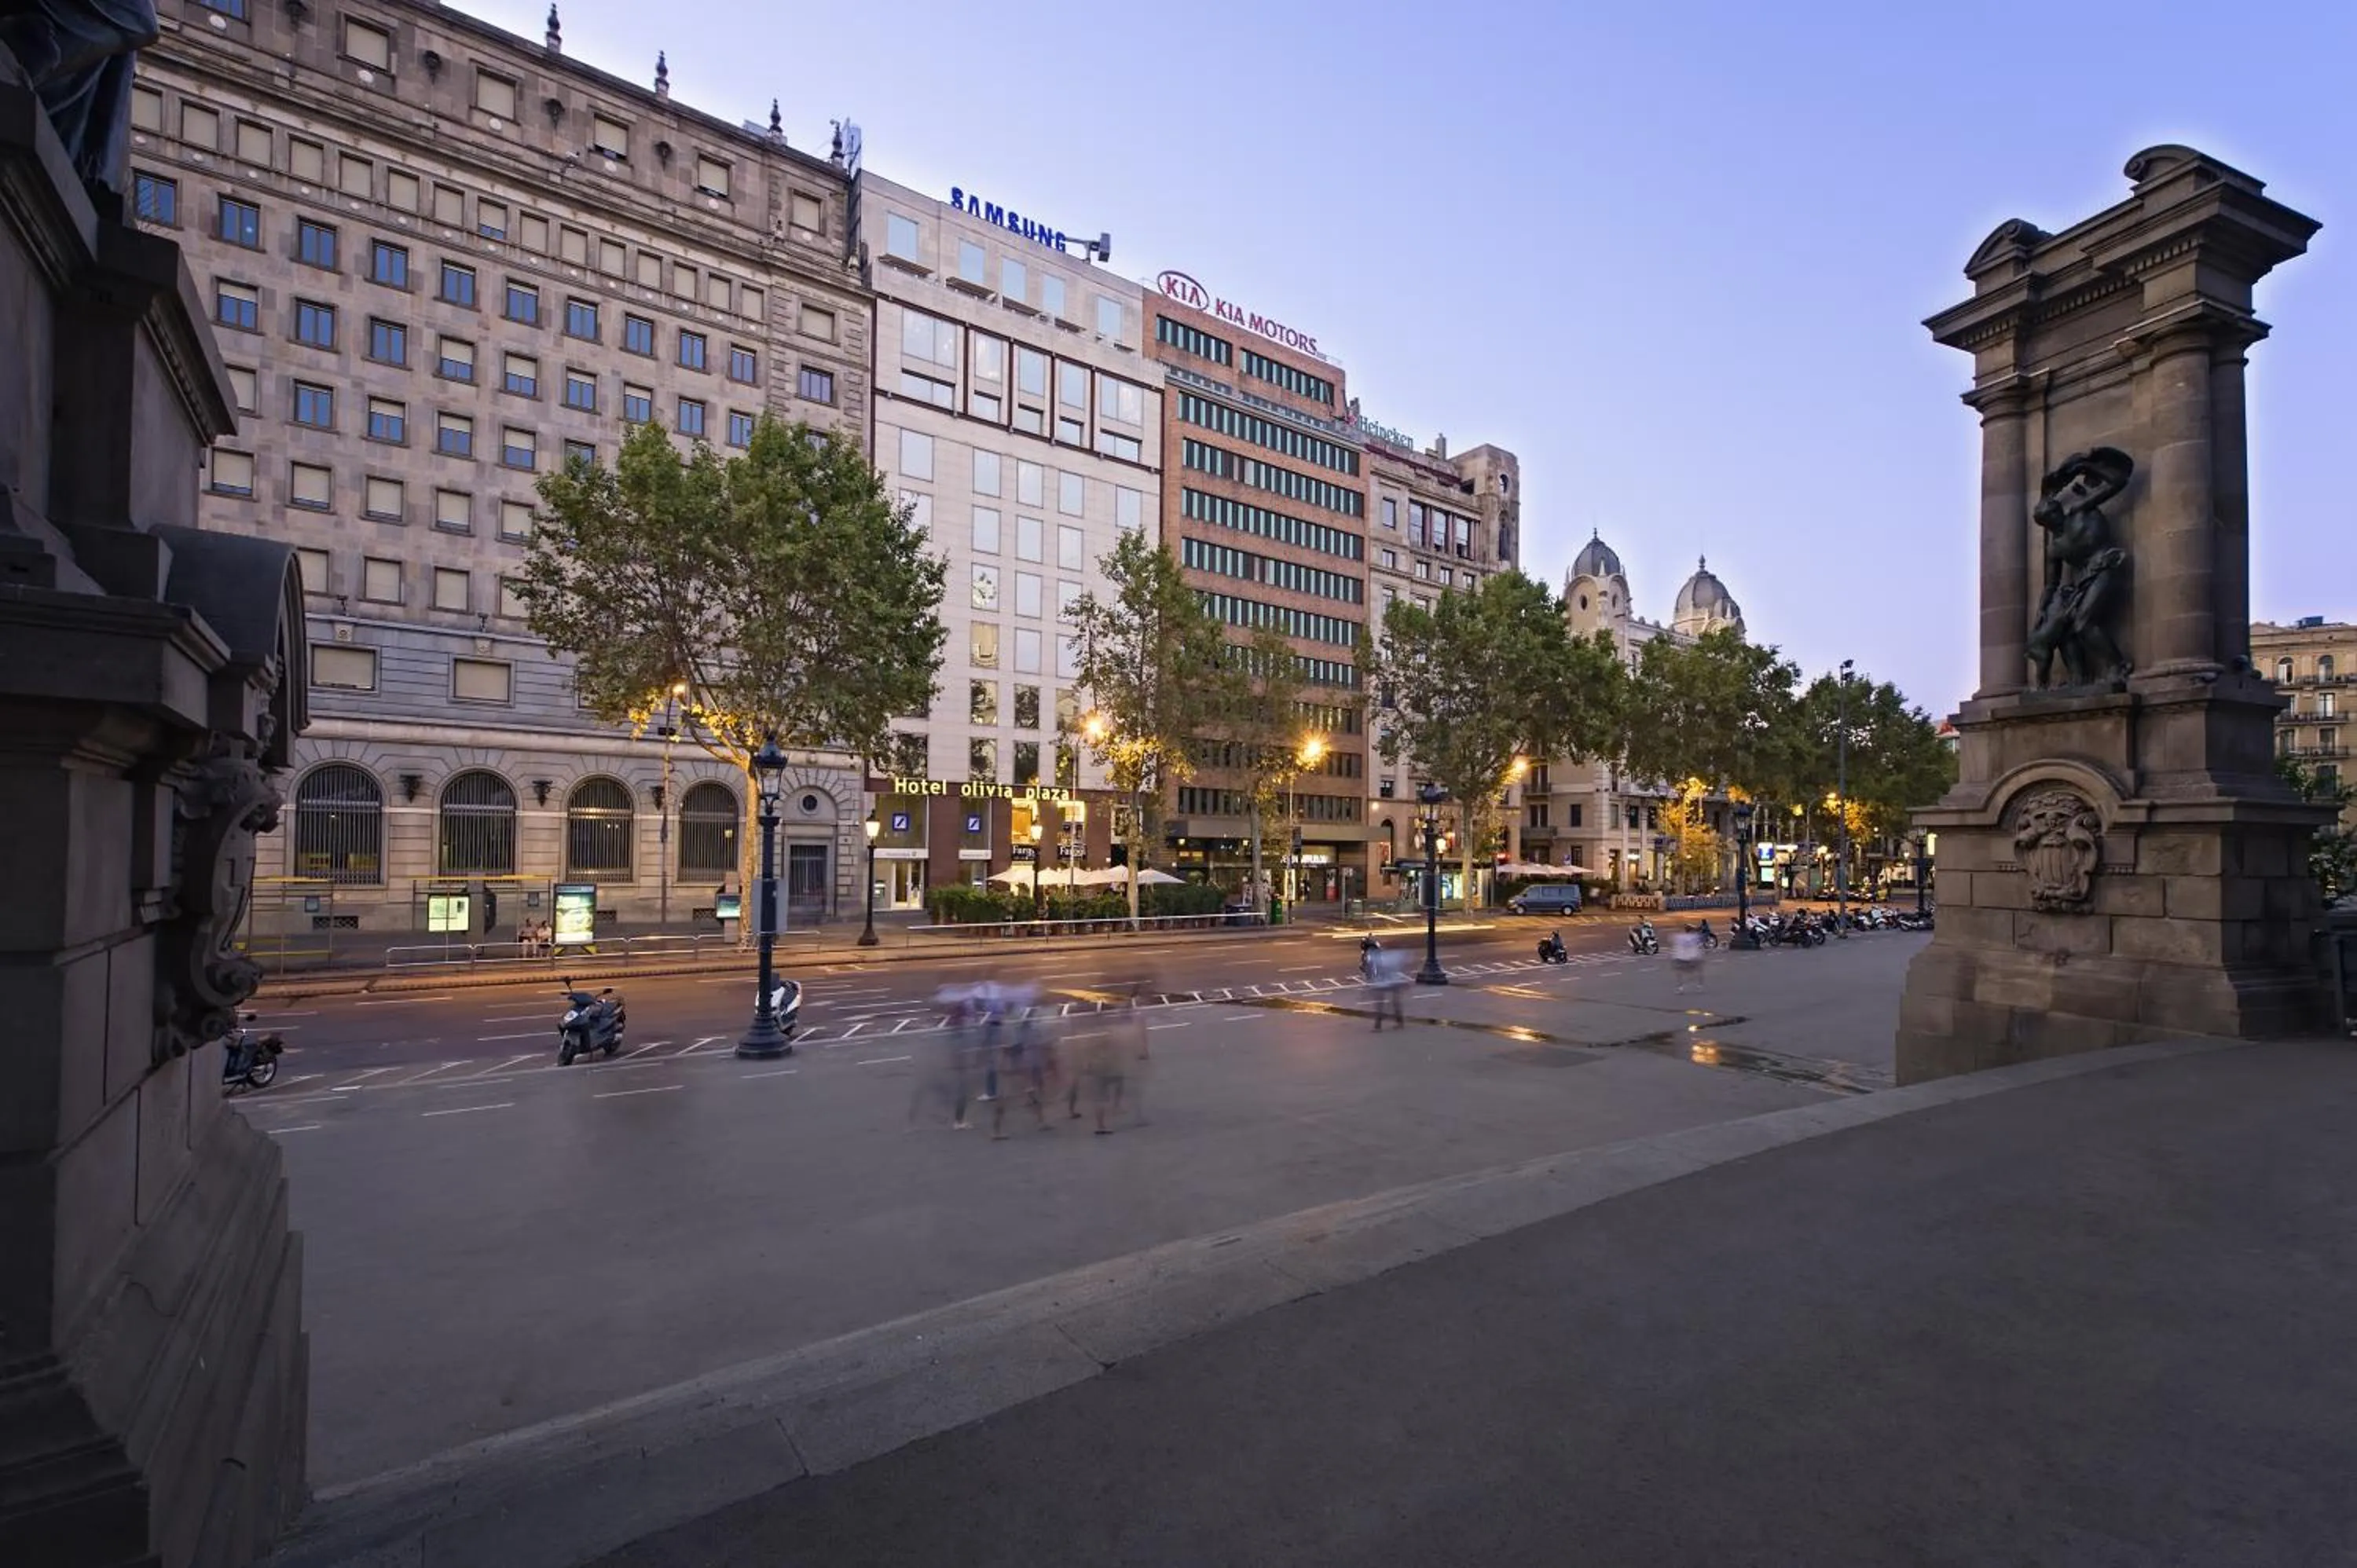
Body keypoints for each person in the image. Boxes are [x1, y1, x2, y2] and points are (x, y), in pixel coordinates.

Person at [1372, 944, 1409, 1030]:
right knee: (1395, 1003)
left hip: (1382, 983)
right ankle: (1399, 1022)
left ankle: (1378, 1025)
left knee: (1380, 1004)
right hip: (1395, 981)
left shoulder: (1379, 957)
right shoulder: (1397, 955)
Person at [1670, 924, 1706, 994]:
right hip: (1693, 957)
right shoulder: (1695, 937)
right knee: (1700, 971)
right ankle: (1700, 986)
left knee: (1679, 972)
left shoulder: (1679, 937)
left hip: (1681, 958)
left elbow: (1673, 942)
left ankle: (1680, 988)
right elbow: (1701, 943)